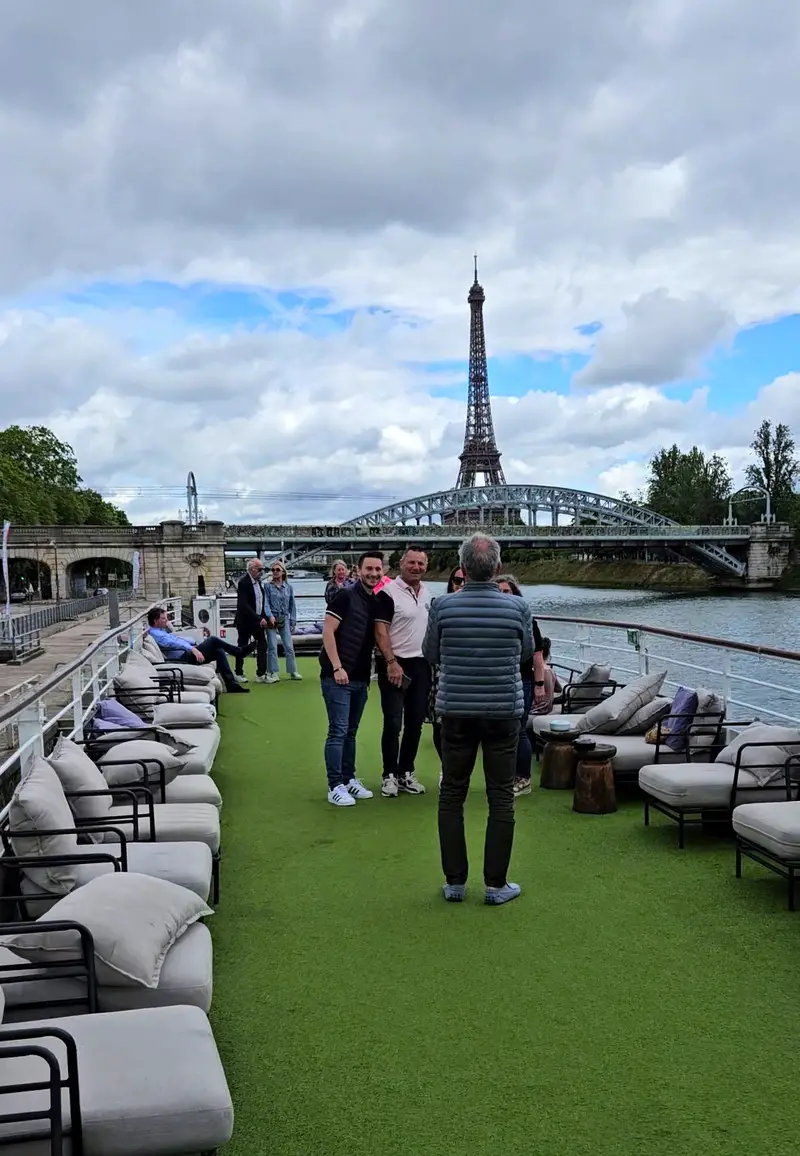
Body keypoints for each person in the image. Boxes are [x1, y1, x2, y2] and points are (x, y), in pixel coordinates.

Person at [423, 534, 533, 905]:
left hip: (456, 711)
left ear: (463, 568)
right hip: (504, 712)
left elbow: (431, 653)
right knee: (501, 797)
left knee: (452, 793)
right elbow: (526, 654)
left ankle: (455, 882)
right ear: (497, 568)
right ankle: (495, 885)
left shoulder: (442, 605)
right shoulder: (518, 608)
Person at [320, 550, 394, 807]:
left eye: (378, 569)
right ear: (358, 570)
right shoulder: (344, 596)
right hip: (337, 676)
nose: (374, 573)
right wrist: (337, 667)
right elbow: (328, 632)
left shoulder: (375, 600)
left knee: (351, 732)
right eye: (369, 569)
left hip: (361, 677)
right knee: (338, 731)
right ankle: (334, 785)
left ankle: (349, 778)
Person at [374, 547, 432, 797]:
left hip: (421, 664)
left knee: (415, 723)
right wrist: (390, 661)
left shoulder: (428, 592)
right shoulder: (387, 593)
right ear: (401, 564)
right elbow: (380, 630)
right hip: (395, 664)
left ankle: (405, 772)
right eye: (412, 562)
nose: (416, 567)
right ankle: (389, 775)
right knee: (393, 722)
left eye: (421, 563)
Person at [497, 575, 545, 796]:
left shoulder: (527, 621)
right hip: (499, 681)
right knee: (504, 731)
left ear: (515, 594)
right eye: (498, 591)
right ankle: (507, 776)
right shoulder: (492, 621)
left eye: (507, 591)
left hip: (522, 680)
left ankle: (523, 778)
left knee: (519, 729)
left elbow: (537, 656)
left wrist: (539, 684)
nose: (502, 595)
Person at [147, 607, 253, 693]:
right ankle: (239, 652)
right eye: (163, 619)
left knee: (218, 651)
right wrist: (193, 648)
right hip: (183, 657)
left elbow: (177, 639)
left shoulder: (160, 631)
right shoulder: (156, 634)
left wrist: (192, 643)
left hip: (186, 653)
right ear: (156, 621)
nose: (167, 621)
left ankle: (232, 685)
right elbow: (173, 643)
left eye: (166, 618)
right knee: (213, 640)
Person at [428, 566, 465, 764]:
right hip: (442, 674)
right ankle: (446, 767)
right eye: (457, 580)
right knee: (440, 723)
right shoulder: (439, 606)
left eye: (465, 580)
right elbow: (430, 646)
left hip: (469, 676)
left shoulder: (483, 608)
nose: (461, 584)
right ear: (451, 582)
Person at [264, 562, 300, 683]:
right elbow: (266, 603)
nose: (275, 572)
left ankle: (292, 671)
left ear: (283, 572)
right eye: (273, 570)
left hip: (284, 618)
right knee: (272, 646)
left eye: (277, 570)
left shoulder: (288, 587)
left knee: (289, 646)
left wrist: (293, 620)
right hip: (272, 619)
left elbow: (292, 605)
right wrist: (269, 616)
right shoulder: (268, 586)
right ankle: (273, 672)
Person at [234, 558, 268, 684]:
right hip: (245, 621)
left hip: (257, 621)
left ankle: (261, 674)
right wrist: (259, 618)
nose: (262, 572)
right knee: (242, 646)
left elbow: (260, 602)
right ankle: (238, 672)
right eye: (260, 570)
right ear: (252, 569)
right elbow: (244, 605)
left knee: (262, 645)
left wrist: (263, 617)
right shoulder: (243, 582)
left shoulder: (258, 583)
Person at [532, 636, 562, 716]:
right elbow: (559, 689)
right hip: (548, 708)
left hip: (535, 709)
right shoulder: (550, 670)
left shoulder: (535, 672)